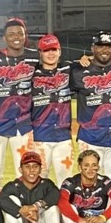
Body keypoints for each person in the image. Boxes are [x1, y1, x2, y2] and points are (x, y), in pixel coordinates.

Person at [0, 18, 39, 187]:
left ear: (25, 36)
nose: (16, 37)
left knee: (28, 172)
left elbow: (55, 65)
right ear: (4, 38)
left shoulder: (35, 58)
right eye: (11, 34)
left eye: (20, 33)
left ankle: (24, 203)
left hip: (23, 124)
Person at [72, 31, 111, 176]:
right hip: (89, 137)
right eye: (100, 46)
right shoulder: (78, 70)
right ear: (93, 48)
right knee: (89, 180)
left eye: (108, 46)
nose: (104, 50)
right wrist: (87, 58)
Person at [0, 151, 62, 223]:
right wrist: (20, 210)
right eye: (27, 166)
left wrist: (35, 206)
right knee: (12, 200)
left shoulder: (46, 184)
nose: (32, 170)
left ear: (40, 169)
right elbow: (1, 199)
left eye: (35, 166)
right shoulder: (13, 185)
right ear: (20, 169)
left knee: (53, 207)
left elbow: (55, 194)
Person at [29, 35, 75, 184]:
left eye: (54, 50)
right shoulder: (31, 73)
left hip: (63, 137)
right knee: (38, 181)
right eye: (46, 50)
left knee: (66, 181)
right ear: (40, 53)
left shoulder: (68, 69)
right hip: (40, 136)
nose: (51, 53)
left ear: (60, 51)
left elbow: (92, 66)